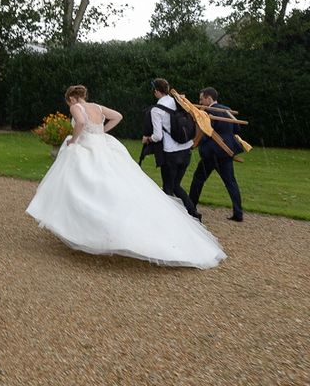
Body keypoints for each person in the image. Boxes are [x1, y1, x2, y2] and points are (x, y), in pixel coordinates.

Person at [26, 85, 226, 269]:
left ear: (72, 97)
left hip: (87, 146)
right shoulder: (97, 106)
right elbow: (118, 116)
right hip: (102, 144)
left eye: (69, 100)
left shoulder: (76, 107)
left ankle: (82, 226)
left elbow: (79, 122)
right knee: (115, 184)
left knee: (78, 185)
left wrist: (74, 140)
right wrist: (101, 131)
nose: (69, 103)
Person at [142, 78, 200, 220]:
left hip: (171, 153)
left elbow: (158, 136)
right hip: (186, 149)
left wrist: (148, 138)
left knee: (168, 187)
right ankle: (192, 212)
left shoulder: (156, 110)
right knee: (176, 185)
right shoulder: (178, 101)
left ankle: (171, 219)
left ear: (156, 91)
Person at [189, 87, 244, 222]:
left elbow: (205, 131)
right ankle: (238, 213)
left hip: (211, 153)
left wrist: (195, 143)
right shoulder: (226, 109)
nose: (200, 102)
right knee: (231, 182)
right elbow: (236, 128)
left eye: (202, 99)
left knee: (198, 180)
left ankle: (190, 208)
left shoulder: (207, 112)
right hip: (225, 152)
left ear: (209, 98)